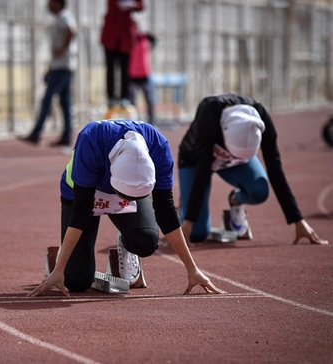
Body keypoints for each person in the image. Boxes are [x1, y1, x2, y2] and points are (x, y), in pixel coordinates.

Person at [29, 119, 224, 297]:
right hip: (83, 191)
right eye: (125, 196)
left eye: (134, 197)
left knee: (146, 240)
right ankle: (59, 257)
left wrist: (192, 268)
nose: (124, 200)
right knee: (76, 281)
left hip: (125, 186)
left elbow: (166, 212)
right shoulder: (91, 138)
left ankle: (126, 244)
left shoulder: (159, 146)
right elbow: (81, 213)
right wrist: (59, 269)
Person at [178, 93, 329, 245]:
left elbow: (275, 169)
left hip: (235, 162)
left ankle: (235, 202)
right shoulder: (209, 113)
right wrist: (189, 221)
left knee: (259, 190)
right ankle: (183, 209)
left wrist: (298, 220)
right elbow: (203, 171)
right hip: (195, 161)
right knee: (196, 233)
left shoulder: (261, 119)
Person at [19, 0, 78, 147]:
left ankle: (36, 132)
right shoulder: (58, 18)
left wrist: (63, 49)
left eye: (51, 2)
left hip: (63, 67)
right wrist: (51, 67)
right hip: (59, 66)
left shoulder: (64, 16)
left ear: (58, 3)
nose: (48, 5)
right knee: (64, 102)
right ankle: (66, 136)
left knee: (47, 100)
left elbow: (72, 30)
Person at [100, 0, 144, 109]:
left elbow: (141, 5)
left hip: (125, 36)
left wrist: (131, 4)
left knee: (125, 70)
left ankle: (125, 97)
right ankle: (111, 97)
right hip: (111, 34)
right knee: (110, 68)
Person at [128, 31, 156, 125]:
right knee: (132, 102)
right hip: (133, 75)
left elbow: (154, 40)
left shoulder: (146, 39)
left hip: (145, 75)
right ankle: (132, 122)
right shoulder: (130, 40)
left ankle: (151, 121)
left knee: (150, 99)